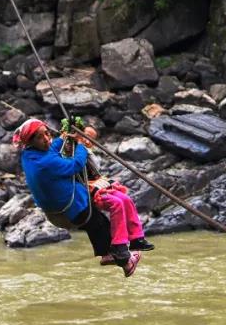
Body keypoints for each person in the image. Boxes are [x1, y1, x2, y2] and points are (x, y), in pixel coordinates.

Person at [14, 118, 141, 276]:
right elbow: (76, 165)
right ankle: (125, 261)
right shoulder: (46, 163)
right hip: (69, 211)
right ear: (32, 142)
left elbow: (51, 149)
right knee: (100, 223)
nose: (46, 139)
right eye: (40, 137)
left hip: (56, 212)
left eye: (47, 133)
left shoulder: (29, 155)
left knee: (95, 225)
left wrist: (63, 137)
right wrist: (80, 145)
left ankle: (108, 255)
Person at [80, 126, 152, 276]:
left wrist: (86, 150)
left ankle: (136, 238)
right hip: (89, 190)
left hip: (98, 185)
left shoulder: (88, 153)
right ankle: (119, 246)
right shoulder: (75, 152)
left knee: (126, 199)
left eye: (91, 139)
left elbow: (95, 168)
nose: (87, 141)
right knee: (117, 204)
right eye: (85, 137)